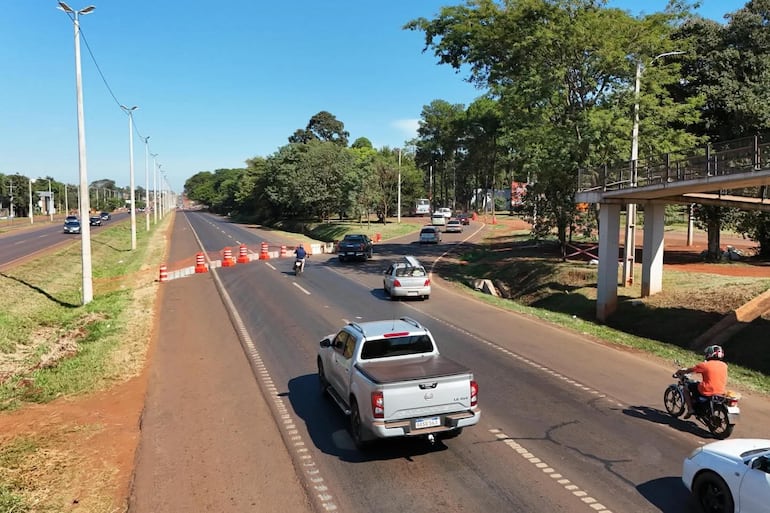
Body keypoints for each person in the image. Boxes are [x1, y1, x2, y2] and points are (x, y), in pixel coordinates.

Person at [678, 344, 728, 419]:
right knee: (697, 385)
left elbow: (690, 370)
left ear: (710, 354)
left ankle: (690, 409)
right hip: (721, 392)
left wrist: (681, 371)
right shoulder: (724, 365)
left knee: (686, 387)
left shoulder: (704, 365)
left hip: (707, 390)